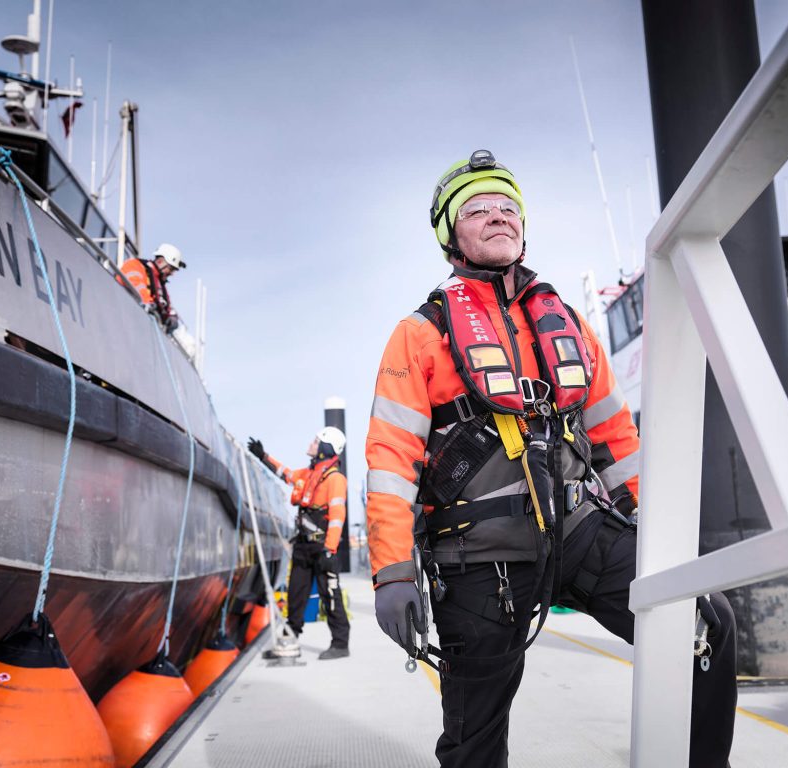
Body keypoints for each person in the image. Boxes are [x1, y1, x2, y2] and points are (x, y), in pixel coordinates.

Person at [365, 150, 737, 767]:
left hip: (582, 532)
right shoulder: (420, 334)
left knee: (707, 620)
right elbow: (390, 459)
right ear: (450, 235)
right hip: (481, 556)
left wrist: (658, 537)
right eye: (478, 209)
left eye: (507, 207)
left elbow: (617, 439)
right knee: (474, 739)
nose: (497, 217)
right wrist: (394, 573)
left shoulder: (567, 326)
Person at [248, 427, 351, 660]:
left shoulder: (335, 479)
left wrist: (330, 550)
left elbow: (337, 515)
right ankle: (289, 639)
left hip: (322, 547)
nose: (311, 443)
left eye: (316, 441)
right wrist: (263, 456)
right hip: (303, 546)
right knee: (295, 596)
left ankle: (340, 644)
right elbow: (286, 474)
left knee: (330, 595)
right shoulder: (309, 474)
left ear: (325, 448)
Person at [121, 243, 185, 332]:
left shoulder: (160, 286)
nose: (172, 273)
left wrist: (172, 318)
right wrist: (150, 305)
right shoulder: (135, 266)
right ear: (160, 261)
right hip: (130, 318)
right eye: (171, 269)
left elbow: (167, 307)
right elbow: (136, 287)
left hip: (149, 327)